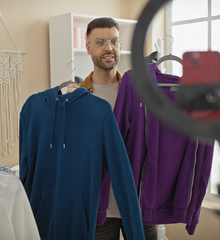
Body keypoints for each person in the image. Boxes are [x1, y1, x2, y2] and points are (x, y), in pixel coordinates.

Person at [67, 17, 157, 240]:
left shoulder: (139, 94)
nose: (109, 48)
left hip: (139, 205)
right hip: (99, 208)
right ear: (88, 47)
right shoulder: (77, 97)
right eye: (100, 42)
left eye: (114, 41)